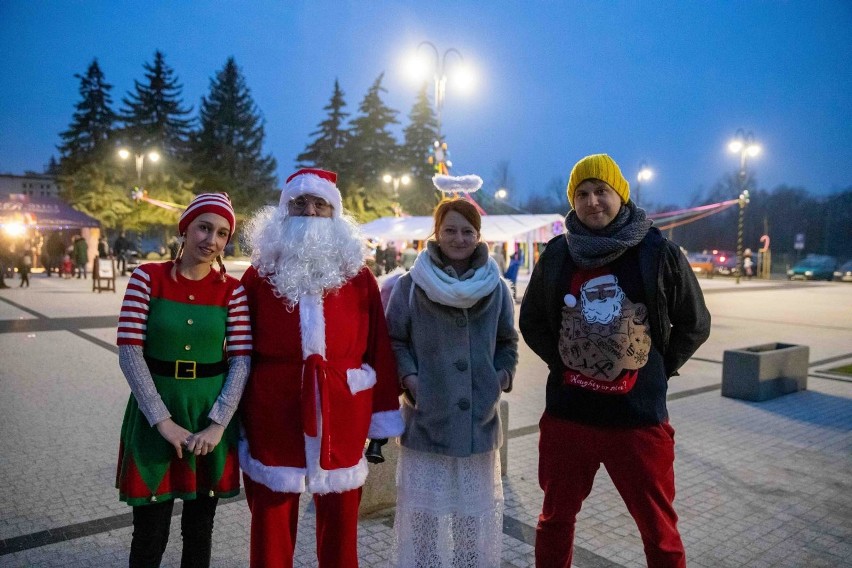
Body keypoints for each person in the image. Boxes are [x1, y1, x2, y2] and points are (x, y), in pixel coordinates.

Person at [519, 154, 711, 568]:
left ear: (620, 195)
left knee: (659, 530)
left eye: (601, 191)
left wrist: (654, 368)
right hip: (569, 418)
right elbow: (531, 320)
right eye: (582, 194)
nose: (592, 202)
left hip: (637, 421)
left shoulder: (659, 252)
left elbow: (694, 323)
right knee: (555, 520)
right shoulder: (557, 254)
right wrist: (566, 361)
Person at [239, 167, 403, 568]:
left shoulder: (359, 277)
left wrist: (382, 423)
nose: (309, 212)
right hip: (274, 410)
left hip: (343, 409)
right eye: (299, 203)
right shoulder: (258, 277)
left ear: (335, 213)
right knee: (272, 518)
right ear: (283, 211)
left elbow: (379, 350)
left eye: (319, 204)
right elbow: (237, 350)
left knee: (341, 523)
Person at [115, 193, 252, 567]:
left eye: (223, 233)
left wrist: (218, 424)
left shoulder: (232, 291)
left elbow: (241, 360)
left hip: (208, 415)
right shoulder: (148, 277)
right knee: (150, 530)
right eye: (204, 227)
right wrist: (162, 421)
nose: (212, 240)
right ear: (185, 228)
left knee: (199, 528)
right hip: (155, 412)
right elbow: (129, 351)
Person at [385, 194, 519, 568]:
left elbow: (508, 340)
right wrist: (411, 379)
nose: (459, 238)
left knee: (471, 518)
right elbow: (394, 338)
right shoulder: (411, 285)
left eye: (467, 231)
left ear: (478, 236)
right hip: (429, 418)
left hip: (479, 421)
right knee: (424, 517)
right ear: (437, 233)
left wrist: (500, 377)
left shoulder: (496, 286)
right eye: (450, 230)